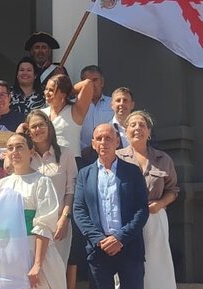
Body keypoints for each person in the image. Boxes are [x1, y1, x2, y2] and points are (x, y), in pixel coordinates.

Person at [73, 124, 149, 289]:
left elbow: (142, 209)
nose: (103, 142)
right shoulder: (84, 174)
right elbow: (79, 210)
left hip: (129, 247)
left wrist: (120, 238)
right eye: (99, 138)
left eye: (108, 138)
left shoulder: (132, 171)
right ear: (93, 144)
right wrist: (100, 240)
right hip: (98, 250)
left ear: (117, 142)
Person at [0, 133, 67, 289]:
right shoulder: (2, 185)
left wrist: (37, 264)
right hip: (10, 256)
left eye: (19, 147)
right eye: (10, 148)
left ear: (31, 152)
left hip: (35, 254)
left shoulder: (42, 182)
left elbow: (44, 224)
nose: (14, 152)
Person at [16, 110, 78, 285]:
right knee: (33, 275)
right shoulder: (26, 156)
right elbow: (8, 166)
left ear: (48, 126)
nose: (37, 130)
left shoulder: (66, 154)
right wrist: (19, 135)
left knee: (56, 274)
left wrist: (64, 218)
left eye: (41, 125)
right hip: (32, 229)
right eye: (32, 127)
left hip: (59, 226)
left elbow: (70, 190)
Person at [117, 111, 178, 289]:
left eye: (142, 125)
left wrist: (160, 204)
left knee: (157, 266)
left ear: (149, 132)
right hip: (126, 220)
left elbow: (173, 190)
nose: (138, 128)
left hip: (154, 218)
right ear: (125, 131)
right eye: (133, 125)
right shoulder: (117, 158)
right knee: (127, 267)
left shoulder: (163, 159)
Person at [42, 74, 94, 159]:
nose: (46, 93)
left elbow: (88, 83)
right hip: (47, 163)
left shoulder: (75, 111)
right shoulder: (40, 113)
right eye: (46, 89)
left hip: (72, 163)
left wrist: (68, 91)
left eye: (51, 90)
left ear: (63, 94)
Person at [79, 66, 113, 150]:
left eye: (95, 80)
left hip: (109, 152)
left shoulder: (113, 103)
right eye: (88, 81)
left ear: (102, 82)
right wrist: (84, 149)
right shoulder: (74, 105)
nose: (92, 84)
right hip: (81, 155)